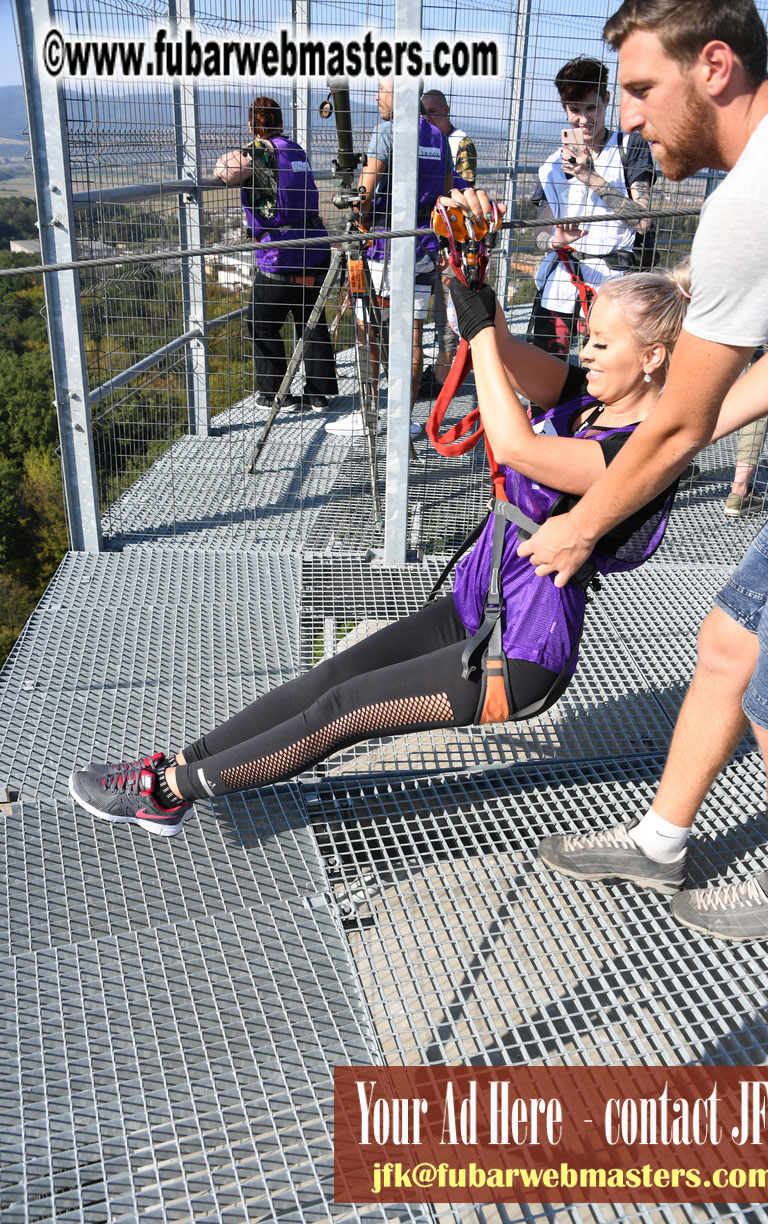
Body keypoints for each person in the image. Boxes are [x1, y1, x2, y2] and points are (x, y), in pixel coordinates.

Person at [67, 267, 690, 836]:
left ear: (653, 357)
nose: (585, 352)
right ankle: (179, 764)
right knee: (331, 676)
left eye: (600, 343)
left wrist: (478, 335)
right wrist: (475, 284)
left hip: (521, 651)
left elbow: (518, 448)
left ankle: (166, 794)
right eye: (587, 338)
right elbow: (502, 348)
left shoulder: (636, 453)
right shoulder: (587, 399)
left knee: (345, 710)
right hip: (479, 604)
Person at [522, 0, 768, 942]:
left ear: (715, 67)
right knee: (731, 637)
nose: (631, 118)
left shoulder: (758, 197)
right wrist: (676, 427)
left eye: (644, 88)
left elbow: (680, 422)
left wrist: (580, 527)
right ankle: (661, 842)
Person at [325, 80, 453, 439]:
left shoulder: (387, 132)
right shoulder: (438, 136)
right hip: (423, 249)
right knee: (413, 338)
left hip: (384, 250)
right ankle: (401, 421)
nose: (377, 97)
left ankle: (368, 415)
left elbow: (364, 194)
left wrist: (356, 211)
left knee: (368, 330)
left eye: (382, 89)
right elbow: (444, 195)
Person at [215, 95, 338, 412]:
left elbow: (226, 172)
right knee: (310, 319)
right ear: (280, 122)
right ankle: (318, 394)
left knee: (262, 322)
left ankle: (273, 394)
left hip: (280, 255)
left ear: (251, 124)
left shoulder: (259, 150)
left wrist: (238, 151)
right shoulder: (295, 149)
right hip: (315, 249)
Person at [529, 56, 655, 356]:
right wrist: (555, 240)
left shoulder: (629, 147)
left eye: (591, 108)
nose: (584, 120)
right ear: (564, 108)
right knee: (547, 365)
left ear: (606, 100)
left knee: (606, 368)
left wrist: (590, 176)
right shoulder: (552, 166)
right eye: (575, 110)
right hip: (562, 278)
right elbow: (538, 234)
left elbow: (643, 221)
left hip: (614, 281)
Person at [420, 89, 478, 394]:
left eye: (433, 111)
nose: (427, 117)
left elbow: (463, 190)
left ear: (446, 109)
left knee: (446, 308)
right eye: (423, 111)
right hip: (427, 234)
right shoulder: (423, 138)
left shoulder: (458, 142)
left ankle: (444, 376)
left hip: (452, 235)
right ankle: (435, 371)